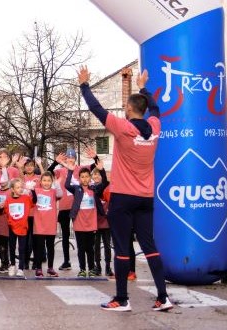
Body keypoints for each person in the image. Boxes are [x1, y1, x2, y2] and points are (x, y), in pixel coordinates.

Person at [78, 66, 172, 312]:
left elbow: (97, 110)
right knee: (149, 247)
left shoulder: (124, 128)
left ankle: (121, 299)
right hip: (145, 197)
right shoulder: (155, 128)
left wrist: (84, 86)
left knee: (121, 248)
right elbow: (156, 109)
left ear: (129, 109)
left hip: (122, 198)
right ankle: (163, 297)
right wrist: (143, 87)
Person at [63, 159, 107, 278]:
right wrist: (70, 171)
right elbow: (67, 185)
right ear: (79, 178)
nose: (85, 179)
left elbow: (105, 183)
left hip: (91, 223)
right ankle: (82, 269)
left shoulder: (94, 189)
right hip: (79, 223)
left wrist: (102, 171)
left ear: (90, 178)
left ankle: (92, 268)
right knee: (81, 248)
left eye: (87, 176)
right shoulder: (77, 189)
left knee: (90, 248)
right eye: (82, 177)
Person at [0, 178, 35, 278]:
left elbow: (34, 201)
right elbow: (2, 212)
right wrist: (0, 208)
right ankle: (13, 265)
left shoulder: (26, 198)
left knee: (22, 248)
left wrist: (33, 190)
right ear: (13, 190)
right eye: (18, 187)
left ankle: (21, 268)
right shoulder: (8, 200)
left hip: (23, 227)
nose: (20, 189)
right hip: (12, 227)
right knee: (12, 247)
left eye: (21, 187)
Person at [30, 171, 62, 277]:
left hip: (50, 225)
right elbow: (30, 197)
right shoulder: (36, 190)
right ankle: (38, 268)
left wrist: (57, 183)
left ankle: (50, 268)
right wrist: (32, 186)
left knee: (50, 247)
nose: (46, 183)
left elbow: (60, 194)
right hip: (39, 225)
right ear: (41, 181)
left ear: (51, 182)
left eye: (49, 181)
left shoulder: (54, 192)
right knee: (39, 247)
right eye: (44, 180)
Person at [95, 182, 114, 277]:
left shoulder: (108, 197)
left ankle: (108, 267)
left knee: (107, 246)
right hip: (96, 225)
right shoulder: (94, 198)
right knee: (96, 247)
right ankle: (98, 267)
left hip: (106, 225)